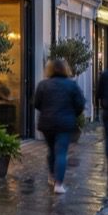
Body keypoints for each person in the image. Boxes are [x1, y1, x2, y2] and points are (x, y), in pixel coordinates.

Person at [34, 57, 85, 194]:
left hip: (47, 123)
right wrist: (73, 114)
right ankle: (59, 183)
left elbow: (36, 103)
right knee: (61, 152)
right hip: (64, 123)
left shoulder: (43, 85)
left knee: (51, 150)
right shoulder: (71, 85)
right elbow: (80, 104)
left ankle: (51, 175)